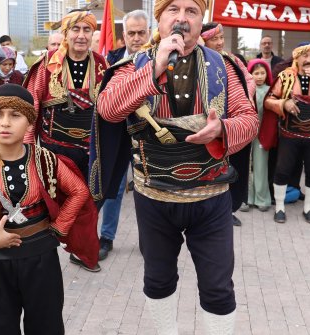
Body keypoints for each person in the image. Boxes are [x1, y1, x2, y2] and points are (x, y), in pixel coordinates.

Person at [90, 0, 258, 332]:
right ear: (160, 20)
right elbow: (108, 109)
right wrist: (153, 70)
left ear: (201, 21)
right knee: (158, 280)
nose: (182, 18)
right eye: (173, 10)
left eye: (191, 11)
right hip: (154, 199)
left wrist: (223, 130)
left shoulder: (226, 66)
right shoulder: (130, 66)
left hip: (211, 199)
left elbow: (249, 120)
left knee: (219, 290)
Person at [0, 84, 97, 334]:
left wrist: (60, 226)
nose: (5, 123)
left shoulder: (46, 159)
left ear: (30, 123)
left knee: (47, 326)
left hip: (42, 257)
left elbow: (79, 191)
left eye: (15, 115)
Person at [24, 10, 106, 272]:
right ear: (66, 33)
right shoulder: (47, 64)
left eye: (87, 30)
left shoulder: (103, 65)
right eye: (76, 30)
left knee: (87, 206)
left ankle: (82, 252)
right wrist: (26, 148)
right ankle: (41, 253)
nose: (81, 36)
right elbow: (31, 105)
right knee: (48, 204)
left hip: (90, 152)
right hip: (54, 150)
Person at [262, 42, 310, 224]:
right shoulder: (285, 76)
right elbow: (269, 101)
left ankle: (308, 208)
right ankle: (280, 207)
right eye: (305, 56)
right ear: (296, 57)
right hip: (289, 134)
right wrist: (283, 104)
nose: (309, 60)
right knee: (282, 170)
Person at [98, 9, 150, 261]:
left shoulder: (158, 58)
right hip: (117, 135)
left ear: (149, 33)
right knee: (115, 187)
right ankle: (106, 237)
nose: (137, 38)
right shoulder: (111, 60)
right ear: (124, 36)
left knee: (145, 188)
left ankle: (149, 239)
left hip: (149, 136)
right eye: (132, 33)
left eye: (142, 32)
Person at [200, 22, 254, 226]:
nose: (220, 42)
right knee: (215, 170)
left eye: (222, 37)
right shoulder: (200, 61)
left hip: (235, 125)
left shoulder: (232, 60)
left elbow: (247, 80)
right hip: (211, 127)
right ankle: (215, 212)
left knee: (236, 168)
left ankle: (230, 208)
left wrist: (241, 103)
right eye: (215, 39)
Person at [240, 59, 272, 212]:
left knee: (260, 166)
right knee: (246, 165)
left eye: (262, 73)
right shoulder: (245, 90)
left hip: (262, 135)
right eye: (256, 73)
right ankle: (246, 198)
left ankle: (262, 198)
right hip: (246, 134)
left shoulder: (270, 91)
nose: (259, 76)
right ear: (250, 74)